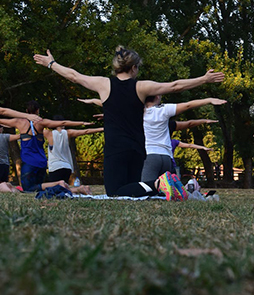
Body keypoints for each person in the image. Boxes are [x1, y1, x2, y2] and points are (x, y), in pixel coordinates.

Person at [33, 46, 225, 195]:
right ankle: (168, 186)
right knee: (135, 189)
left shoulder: (103, 84)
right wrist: (203, 79)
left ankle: (159, 183)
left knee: (115, 192)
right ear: (133, 68)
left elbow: (74, 76)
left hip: (116, 148)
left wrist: (52, 63)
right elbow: (174, 86)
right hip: (137, 148)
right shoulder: (141, 87)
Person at [0, 102, 92, 192]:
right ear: (38, 111)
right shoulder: (42, 122)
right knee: (39, 187)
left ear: (26, 111)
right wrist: (82, 123)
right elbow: (63, 123)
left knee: (28, 188)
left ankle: (58, 183)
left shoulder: (19, 122)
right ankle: (76, 189)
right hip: (42, 162)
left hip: (29, 162)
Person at [141, 96, 226, 182]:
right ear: (157, 97)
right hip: (166, 157)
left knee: (147, 188)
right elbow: (188, 110)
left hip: (149, 155)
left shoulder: (137, 113)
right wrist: (208, 101)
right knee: (167, 191)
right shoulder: (164, 111)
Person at [43, 116, 103, 194]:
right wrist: (102, 128)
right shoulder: (68, 133)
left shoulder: (48, 133)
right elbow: (86, 131)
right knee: (63, 191)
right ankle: (81, 189)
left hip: (55, 166)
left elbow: (36, 127)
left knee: (56, 191)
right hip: (67, 166)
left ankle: (80, 189)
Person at [0, 123, 22, 192]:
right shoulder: (5, 136)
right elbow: (20, 136)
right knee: (3, 184)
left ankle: (10, 190)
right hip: (5, 165)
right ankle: (15, 191)